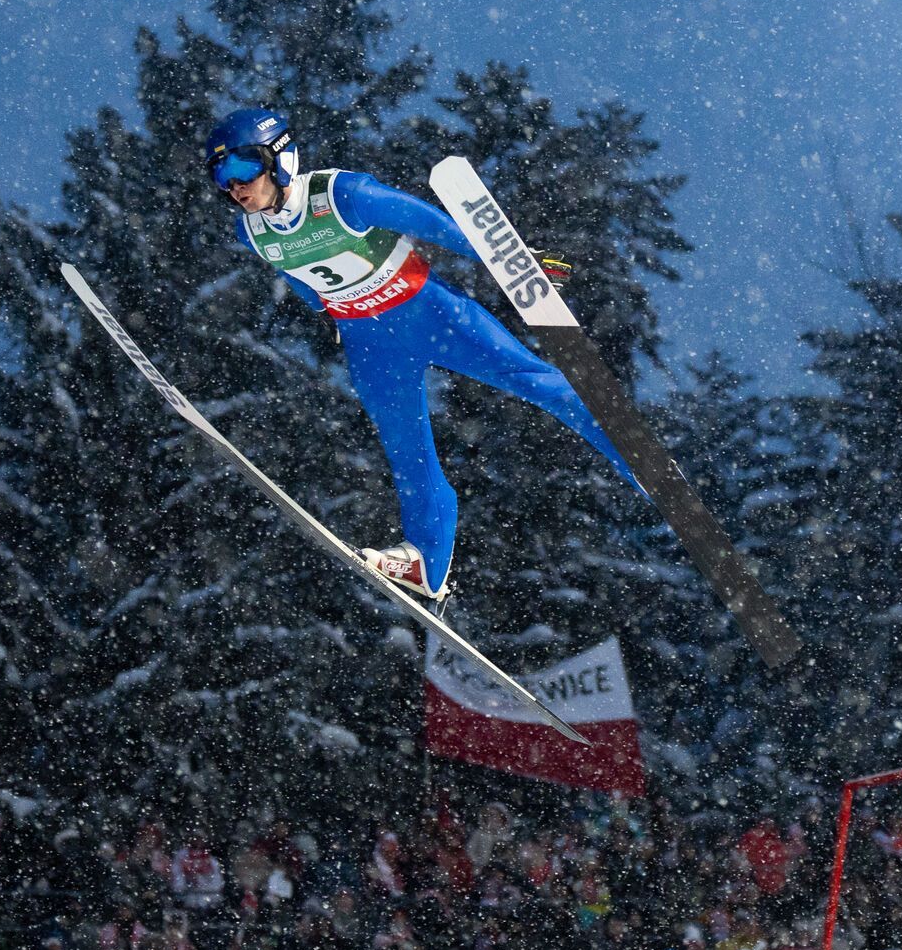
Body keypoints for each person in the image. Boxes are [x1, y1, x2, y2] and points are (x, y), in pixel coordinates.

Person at [204, 108, 641, 599]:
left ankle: (636, 458)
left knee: (534, 381)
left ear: (280, 159)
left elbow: (433, 224)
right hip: (369, 345)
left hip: (430, 314)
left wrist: (513, 259)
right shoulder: (253, 231)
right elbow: (298, 274)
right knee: (406, 450)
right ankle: (425, 560)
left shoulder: (341, 195)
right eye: (221, 176)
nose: (234, 186)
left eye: (243, 169)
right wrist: (330, 316)